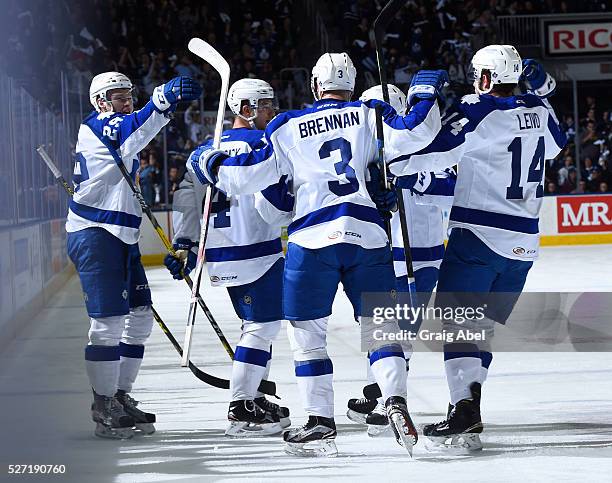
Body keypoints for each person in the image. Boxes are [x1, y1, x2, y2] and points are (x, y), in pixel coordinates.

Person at [193, 52, 446, 456]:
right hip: (367, 236)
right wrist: (424, 94)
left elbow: (245, 182)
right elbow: (417, 134)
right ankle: (394, 397)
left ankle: (319, 423)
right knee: (380, 329)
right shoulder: (370, 114)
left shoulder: (287, 125)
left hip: (312, 241)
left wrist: (209, 162)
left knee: (308, 338)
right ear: (353, 84)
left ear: (314, 86)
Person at [388, 45, 566, 451]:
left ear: (485, 78)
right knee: (480, 331)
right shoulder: (539, 110)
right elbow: (558, 142)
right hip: (524, 244)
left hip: (479, 236)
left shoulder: (477, 110)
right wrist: (543, 91)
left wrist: (391, 164)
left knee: (457, 324)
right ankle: (469, 408)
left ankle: (464, 410)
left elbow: (427, 151)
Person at [67, 71, 202, 439]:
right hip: (95, 234)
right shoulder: (100, 126)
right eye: (118, 95)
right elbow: (134, 127)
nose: (126, 100)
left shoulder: (122, 131)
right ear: (100, 101)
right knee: (108, 322)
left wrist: (163, 107)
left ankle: (120, 395)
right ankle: (103, 403)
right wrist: (163, 98)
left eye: (129, 94)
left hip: (121, 236)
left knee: (140, 316)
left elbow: (139, 129)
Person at [165, 79, 293, 437]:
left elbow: (187, 199)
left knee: (257, 325)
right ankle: (241, 408)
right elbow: (274, 208)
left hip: (222, 252)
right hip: (256, 250)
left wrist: (185, 244)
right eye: (266, 105)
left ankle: (253, 395)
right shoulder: (267, 144)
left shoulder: (206, 150)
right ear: (246, 109)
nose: (273, 111)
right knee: (261, 327)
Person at [346, 84, 456, 434]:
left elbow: (448, 189)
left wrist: (412, 177)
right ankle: (380, 399)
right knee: (387, 332)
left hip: (416, 257)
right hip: (384, 254)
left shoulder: (422, 149)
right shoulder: (361, 155)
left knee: (394, 331)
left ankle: (374, 397)